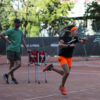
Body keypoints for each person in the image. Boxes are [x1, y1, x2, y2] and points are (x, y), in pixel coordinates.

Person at [43, 25, 88, 95]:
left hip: (69, 58)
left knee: (64, 74)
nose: (77, 32)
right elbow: (60, 45)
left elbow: (83, 42)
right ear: (72, 31)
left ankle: (51, 68)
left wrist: (85, 40)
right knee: (67, 72)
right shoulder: (64, 37)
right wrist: (70, 45)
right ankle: (62, 86)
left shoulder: (76, 38)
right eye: (76, 31)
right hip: (62, 56)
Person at [0, 19, 30, 84]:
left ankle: (6, 75)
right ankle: (13, 78)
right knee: (12, 64)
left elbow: (23, 40)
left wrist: (26, 48)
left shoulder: (20, 31)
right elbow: (1, 34)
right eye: (17, 23)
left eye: (19, 23)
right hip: (10, 49)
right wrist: (7, 41)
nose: (19, 24)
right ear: (14, 23)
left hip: (17, 50)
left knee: (19, 64)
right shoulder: (10, 30)